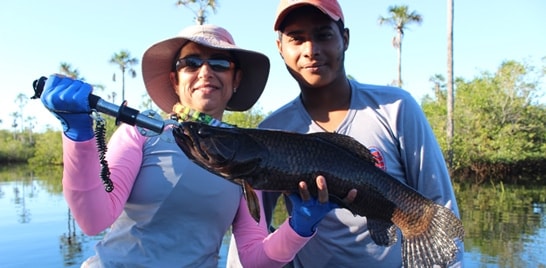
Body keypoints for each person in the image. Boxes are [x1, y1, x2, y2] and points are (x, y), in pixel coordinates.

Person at [40, 24, 348, 267]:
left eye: (219, 62)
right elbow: (93, 219)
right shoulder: (140, 134)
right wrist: (78, 135)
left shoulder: (246, 154)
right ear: (175, 80)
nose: (205, 71)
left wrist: (299, 226)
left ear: (236, 78)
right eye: (191, 63)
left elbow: (255, 258)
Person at [231, 0, 463, 267]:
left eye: (323, 35)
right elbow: (249, 236)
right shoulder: (272, 130)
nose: (311, 50)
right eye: (297, 39)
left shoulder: (396, 108)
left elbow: (439, 204)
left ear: (345, 38)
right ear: (279, 48)